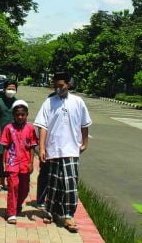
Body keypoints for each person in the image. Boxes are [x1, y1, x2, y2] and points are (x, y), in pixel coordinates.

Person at [34, 71, 92, 233]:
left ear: (68, 85)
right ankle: (51, 211)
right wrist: (42, 147)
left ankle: (68, 215)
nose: (59, 89)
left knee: (70, 183)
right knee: (53, 183)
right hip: (53, 149)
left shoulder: (78, 102)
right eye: (56, 86)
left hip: (71, 149)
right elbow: (42, 126)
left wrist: (85, 143)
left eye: (62, 86)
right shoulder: (49, 102)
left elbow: (84, 124)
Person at [0, 100, 38, 224]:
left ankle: (18, 204)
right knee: (13, 187)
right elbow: (5, 146)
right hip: (12, 163)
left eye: (23, 114)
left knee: (25, 188)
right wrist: (4, 164)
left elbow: (32, 147)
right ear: (13, 115)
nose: (20, 117)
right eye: (17, 115)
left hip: (25, 163)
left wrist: (31, 163)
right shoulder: (8, 128)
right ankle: (11, 213)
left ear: (27, 114)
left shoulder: (30, 128)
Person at [0, 80, 18, 192]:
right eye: (9, 89)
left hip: (16, 137)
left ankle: (12, 181)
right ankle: (2, 182)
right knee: (2, 158)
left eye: (13, 89)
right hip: (2, 136)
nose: (11, 91)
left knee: (14, 159)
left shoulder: (18, 103)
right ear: (4, 89)